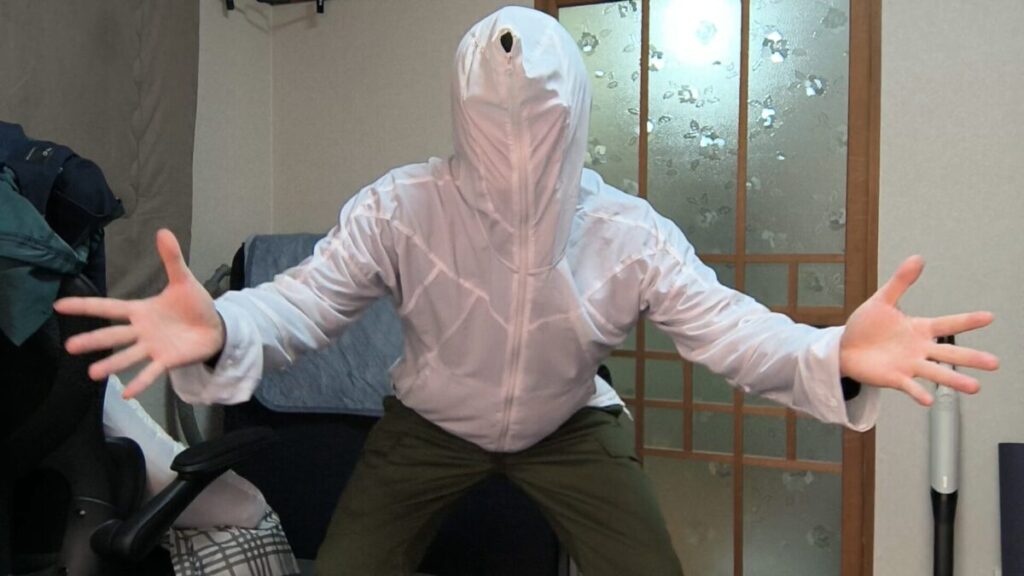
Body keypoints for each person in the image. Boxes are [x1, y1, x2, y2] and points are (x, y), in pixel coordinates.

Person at [54, 7, 998, 575]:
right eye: (492, 126)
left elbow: (730, 330)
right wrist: (225, 325)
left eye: (538, 129)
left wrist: (831, 353)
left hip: (568, 425)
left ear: (573, 116)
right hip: (428, 427)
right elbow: (305, 301)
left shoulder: (626, 231)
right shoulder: (401, 208)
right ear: (462, 116)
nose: (515, 152)